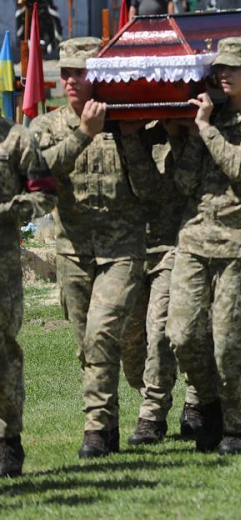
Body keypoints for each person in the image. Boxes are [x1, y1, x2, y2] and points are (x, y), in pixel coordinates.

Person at [32, 37, 157, 459]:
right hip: (73, 251)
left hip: (121, 250)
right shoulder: (47, 127)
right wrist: (84, 135)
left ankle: (96, 431)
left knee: (103, 334)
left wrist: (129, 141)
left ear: (98, 76)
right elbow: (39, 174)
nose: (70, 80)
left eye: (79, 72)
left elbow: (150, 190)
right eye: (65, 72)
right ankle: (110, 426)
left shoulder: (125, 122)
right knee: (88, 344)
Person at [166, 37, 241, 455]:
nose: (225, 74)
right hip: (196, 240)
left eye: (235, 67)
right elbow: (182, 183)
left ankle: (236, 427)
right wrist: (181, 136)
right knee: (180, 334)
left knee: (229, 342)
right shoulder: (211, 117)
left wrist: (205, 129)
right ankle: (212, 404)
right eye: (220, 67)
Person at [121, 119, 189, 446]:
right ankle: (191, 391)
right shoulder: (114, 128)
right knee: (130, 346)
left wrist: (178, 133)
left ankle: (152, 415)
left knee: (160, 331)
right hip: (128, 247)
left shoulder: (187, 129)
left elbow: (179, 183)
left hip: (173, 244)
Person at [0, 100, 56, 476]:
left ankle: (8, 440)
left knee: (2, 352)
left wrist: (5, 211)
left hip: (2, 270)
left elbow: (45, 195)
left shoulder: (16, 140)